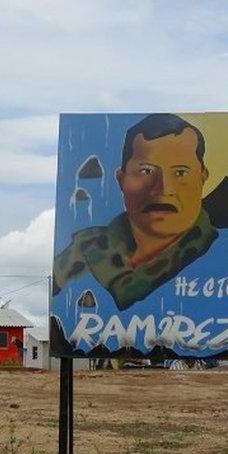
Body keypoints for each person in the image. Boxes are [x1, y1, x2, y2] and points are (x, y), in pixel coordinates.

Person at [53, 113, 218, 310]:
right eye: (146, 171)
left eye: (180, 172)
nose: (163, 189)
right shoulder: (80, 252)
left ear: (202, 177)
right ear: (121, 179)